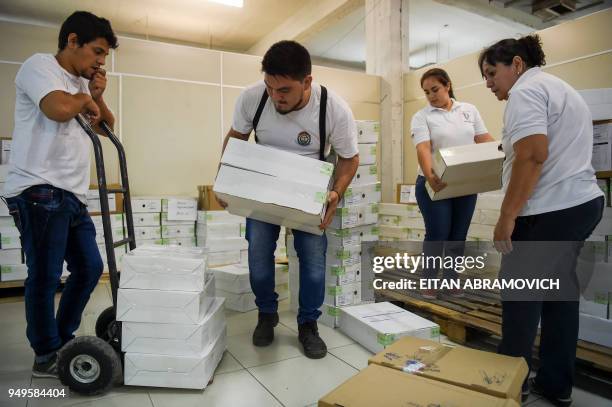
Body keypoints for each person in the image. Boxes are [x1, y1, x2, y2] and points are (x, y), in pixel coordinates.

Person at [479, 34, 604, 406]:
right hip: (581, 205)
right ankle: (555, 385)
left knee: (520, 297)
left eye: (491, 73)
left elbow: (533, 155)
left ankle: (506, 387)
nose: (488, 83)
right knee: (558, 298)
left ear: (517, 65)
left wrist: (506, 217)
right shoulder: (560, 88)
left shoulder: (525, 92)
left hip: (551, 210)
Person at [216, 40, 359, 359]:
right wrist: (223, 179)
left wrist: (337, 192)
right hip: (263, 187)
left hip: (310, 191)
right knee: (258, 258)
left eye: (283, 90)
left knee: (312, 264)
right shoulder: (253, 98)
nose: (274, 96)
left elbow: (349, 159)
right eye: (269, 86)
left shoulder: (333, 108)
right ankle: (267, 314)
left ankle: (308, 324)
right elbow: (236, 139)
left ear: (307, 81)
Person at [2, 11, 118, 378]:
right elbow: (56, 109)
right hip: (38, 188)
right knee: (46, 274)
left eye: (104, 56)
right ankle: (45, 353)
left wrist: (96, 95)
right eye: (97, 51)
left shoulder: (82, 84)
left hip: (71, 194)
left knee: (89, 268)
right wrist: (84, 99)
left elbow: (106, 127)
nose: (100, 62)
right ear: (72, 41)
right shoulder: (39, 67)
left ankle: (63, 339)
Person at [410, 68, 494, 299]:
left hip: (464, 183)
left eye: (435, 89)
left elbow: (484, 140)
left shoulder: (469, 110)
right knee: (438, 234)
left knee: (458, 235)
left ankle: (451, 280)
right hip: (434, 183)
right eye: (426, 92)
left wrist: (502, 154)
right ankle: (429, 281)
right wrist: (430, 176)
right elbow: (423, 148)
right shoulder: (422, 116)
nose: (431, 96)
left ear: (447, 85)